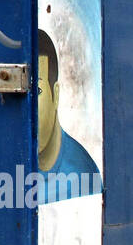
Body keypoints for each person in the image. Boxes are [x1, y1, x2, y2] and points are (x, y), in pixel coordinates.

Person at [36, 30, 101, 204]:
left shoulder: (82, 176)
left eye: (37, 91)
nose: (29, 108)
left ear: (55, 95)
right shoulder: (6, 166)